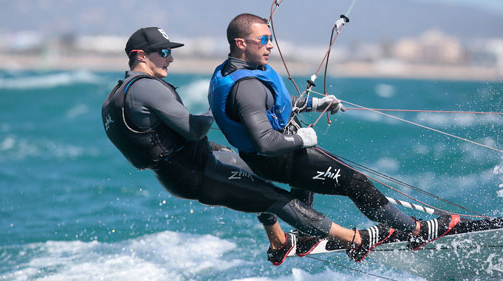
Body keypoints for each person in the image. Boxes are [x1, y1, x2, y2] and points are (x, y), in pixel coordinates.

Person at [101, 26, 395, 267]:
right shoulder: (146, 87)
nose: (170, 59)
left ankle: (278, 239)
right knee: (276, 198)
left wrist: (309, 104)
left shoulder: (117, 95)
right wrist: (218, 109)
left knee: (253, 170)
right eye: (164, 53)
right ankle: (355, 240)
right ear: (140, 55)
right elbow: (192, 130)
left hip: (187, 167)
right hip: (196, 171)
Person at [208, 13, 460, 258]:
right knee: (356, 183)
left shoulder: (235, 71)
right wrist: (301, 140)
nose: (270, 45)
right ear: (241, 43)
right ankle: (417, 231)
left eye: (270, 38)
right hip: (277, 159)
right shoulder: (246, 88)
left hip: (278, 156)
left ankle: (307, 236)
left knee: (306, 181)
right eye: (263, 40)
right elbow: (265, 142)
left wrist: (315, 104)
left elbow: (275, 102)